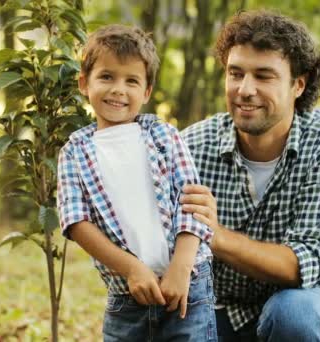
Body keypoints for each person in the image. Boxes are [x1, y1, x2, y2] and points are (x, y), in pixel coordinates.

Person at [180, 10, 320, 341]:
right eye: (236, 74)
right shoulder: (192, 145)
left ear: (298, 84)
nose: (245, 90)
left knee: (296, 314)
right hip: (212, 311)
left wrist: (215, 235)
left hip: (293, 307)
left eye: (264, 76)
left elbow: (308, 263)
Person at [56, 25, 217, 341]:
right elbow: (76, 221)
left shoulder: (164, 136)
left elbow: (191, 205)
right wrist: (131, 269)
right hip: (125, 293)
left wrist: (181, 268)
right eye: (107, 77)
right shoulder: (74, 151)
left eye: (131, 81)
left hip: (188, 285)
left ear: (146, 92)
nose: (118, 89)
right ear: (83, 83)